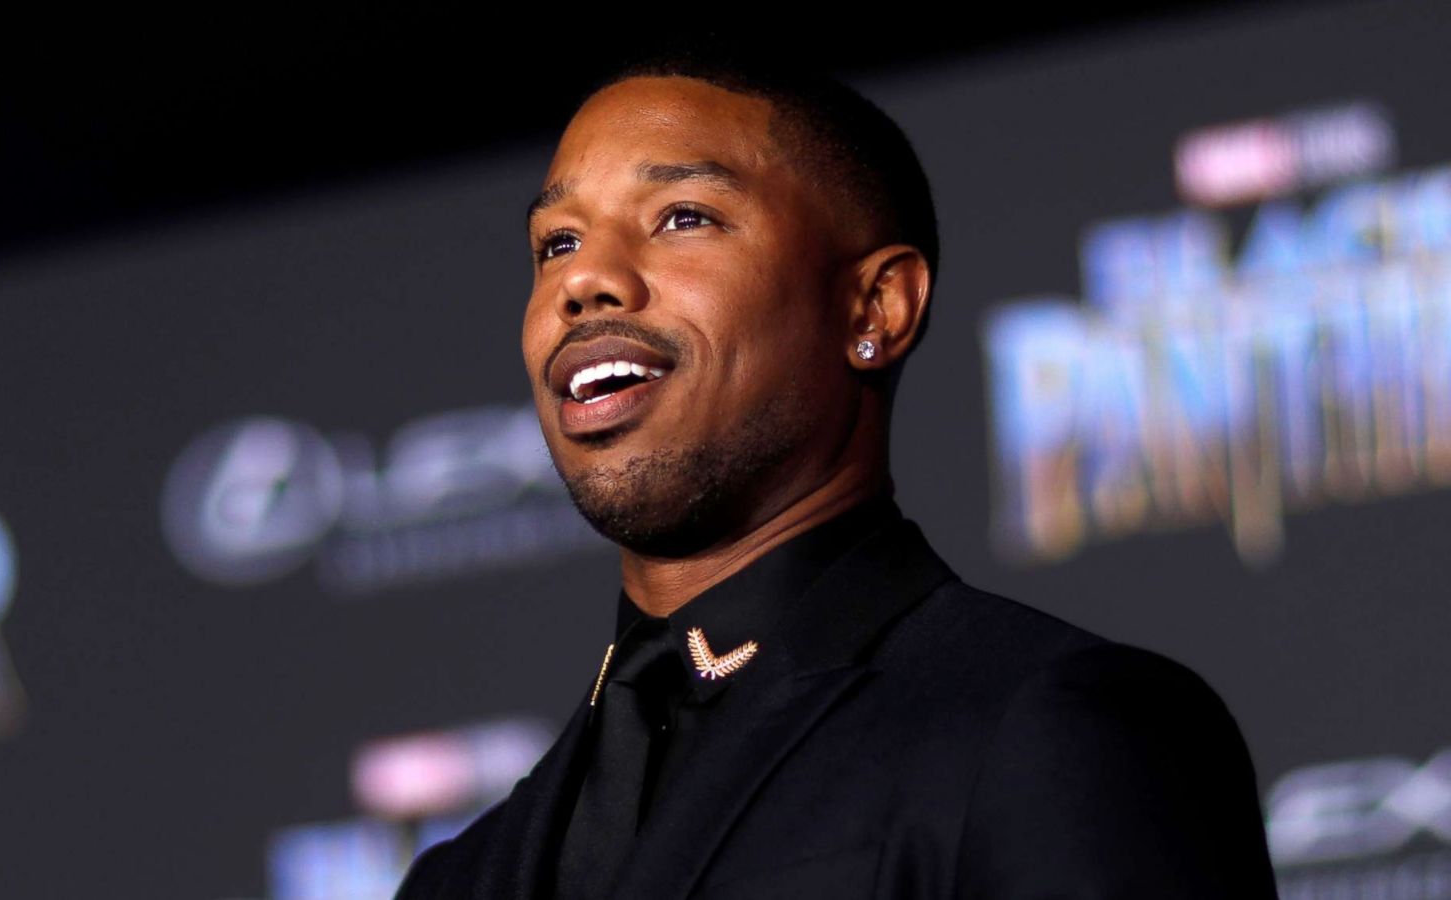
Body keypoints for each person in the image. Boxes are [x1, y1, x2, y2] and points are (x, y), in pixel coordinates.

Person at [396, 42, 1279, 900]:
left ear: (875, 307)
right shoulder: (460, 876)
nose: (584, 280)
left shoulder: (1053, 726)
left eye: (682, 218)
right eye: (555, 244)